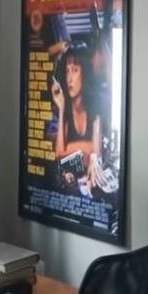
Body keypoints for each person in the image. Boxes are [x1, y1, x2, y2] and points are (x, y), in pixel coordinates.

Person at [50, 42, 107, 191]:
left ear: (84, 73)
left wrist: (72, 150)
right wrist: (61, 108)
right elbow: (59, 154)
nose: (69, 78)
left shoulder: (96, 105)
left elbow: (97, 153)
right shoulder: (66, 108)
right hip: (72, 185)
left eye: (75, 70)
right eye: (67, 71)